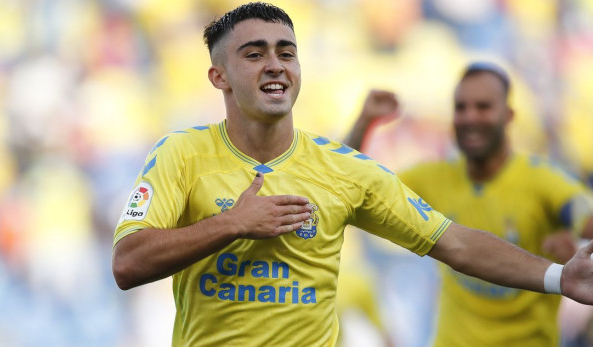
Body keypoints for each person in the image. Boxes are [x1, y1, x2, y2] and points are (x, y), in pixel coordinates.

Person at [112, 3, 593, 346]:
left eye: (286, 51)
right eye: (254, 54)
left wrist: (557, 277)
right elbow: (127, 264)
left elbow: (455, 243)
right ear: (219, 76)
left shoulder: (344, 169)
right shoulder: (181, 154)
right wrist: (232, 223)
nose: (276, 65)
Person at [344, 63, 593, 346]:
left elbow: (584, 214)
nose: (469, 117)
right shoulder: (433, 178)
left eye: (483, 106)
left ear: (509, 115)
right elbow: (352, 190)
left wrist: (576, 240)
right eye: (461, 108)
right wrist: (364, 122)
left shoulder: (543, 180)